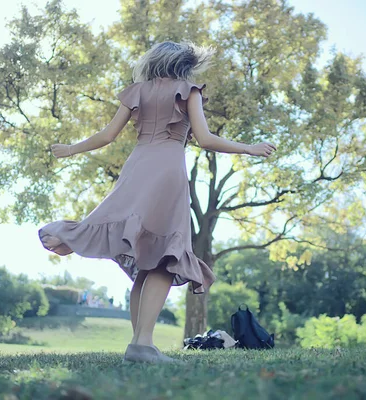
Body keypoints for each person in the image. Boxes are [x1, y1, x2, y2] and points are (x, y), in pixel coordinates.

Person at [38, 41, 276, 363]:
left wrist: (70, 149)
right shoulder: (188, 90)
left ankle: (140, 344)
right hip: (166, 170)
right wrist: (248, 147)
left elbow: (108, 135)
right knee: (167, 255)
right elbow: (205, 139)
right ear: (184, 64)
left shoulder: (138, 91)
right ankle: (142, 344)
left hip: (136, 167)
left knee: (145, 261)